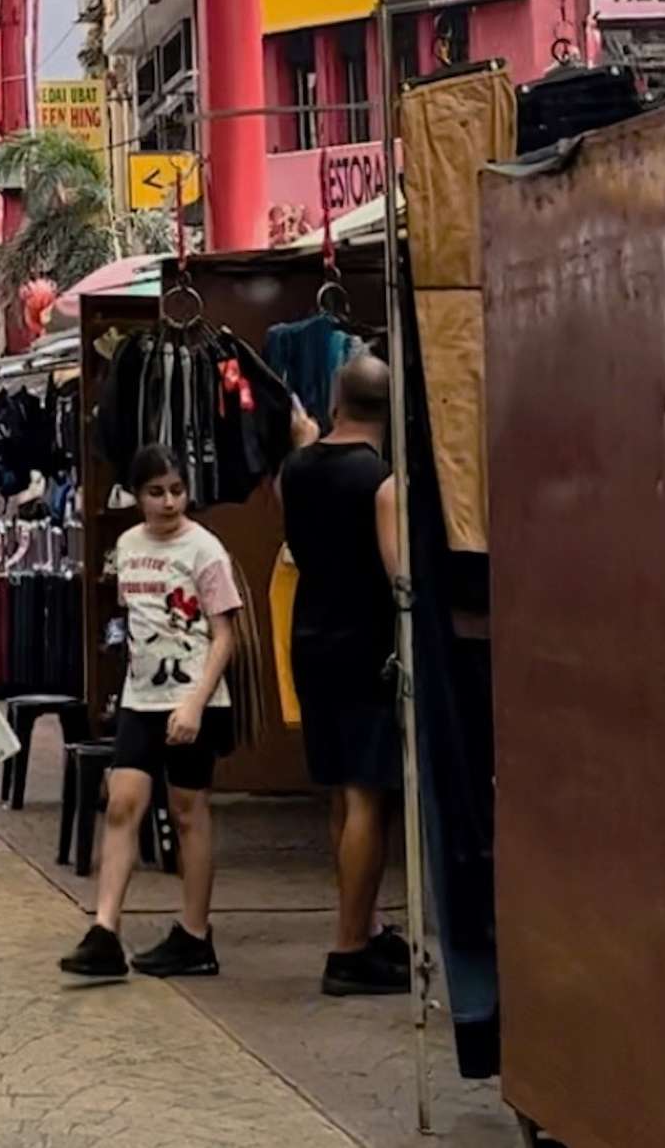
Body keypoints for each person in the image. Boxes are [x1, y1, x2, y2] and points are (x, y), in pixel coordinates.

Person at [59, 445, 243, 982]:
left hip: (193, 701)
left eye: (176, 491)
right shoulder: (127, 545)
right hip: (141, 699)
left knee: (188, 811)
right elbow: (132, 621)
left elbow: (224, 633)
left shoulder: (205, 549)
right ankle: (104, 929)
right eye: (156, 492)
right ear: (136, 496)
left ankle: (194, 933)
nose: (168, 503)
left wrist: (195, 701)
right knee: (123, 802)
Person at [279, 353, 408, 997]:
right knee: (367, 796)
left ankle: (360, 922)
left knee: (338, 789)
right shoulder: (383, 483)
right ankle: (349, 947)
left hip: (309, 640)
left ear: (335, 400)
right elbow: (398, 575)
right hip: (365, 647)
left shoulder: (296, 470)